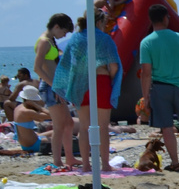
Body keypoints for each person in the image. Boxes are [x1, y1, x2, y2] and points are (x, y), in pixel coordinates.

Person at [53, 10, 122, 173]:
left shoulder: (75, 39)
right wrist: (111, 77)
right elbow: (114, 64)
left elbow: (66, 64)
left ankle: (86, 165)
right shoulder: (104, 39)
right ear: (99, 22)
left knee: (84, 127)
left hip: (80, 84)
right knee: (103, 126)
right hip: (101, 81)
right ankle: (105, 164)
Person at [139, 3, 179, 172]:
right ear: (164, 18)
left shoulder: (146, 42)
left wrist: (145, 96)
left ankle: (175, 162)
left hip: (160, 87)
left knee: (167, 126)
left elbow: (146, 73)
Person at [35, 13, 76, 169]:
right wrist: (54, 86)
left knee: (69, 123)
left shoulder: (50, 40)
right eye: (64, 32)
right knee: (59, 125)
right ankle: (57, 161)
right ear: (56, 26)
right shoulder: (44, 42)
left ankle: (70, 158)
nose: (63, 35)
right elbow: (37, 68)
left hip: (55, 86)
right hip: (50, 87)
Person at [11, 86, 50, 154]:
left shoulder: (19, 107)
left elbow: (39, 119)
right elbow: (52, 116)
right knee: (61, 139)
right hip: (33, 145)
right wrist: (38, 106)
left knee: (54, 132)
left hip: (26, 143)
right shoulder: (27, 111)